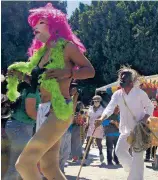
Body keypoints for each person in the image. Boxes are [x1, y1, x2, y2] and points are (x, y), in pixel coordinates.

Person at [6, 3, 95, 179]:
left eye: (40, 22)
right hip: (44, 110)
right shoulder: (41, 53)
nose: (35, 26)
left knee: (24, 164)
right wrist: (20, 76)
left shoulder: (66, 47)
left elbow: (90, 71)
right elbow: (38, 80)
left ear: (53, 24)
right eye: (34, 23)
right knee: (49, 167)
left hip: (59, 110)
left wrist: (70, 72)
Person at [96, 66, 154, 180]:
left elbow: (150, 107)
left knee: (137, 156)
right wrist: (102, 118)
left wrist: (144, 120)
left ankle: (134, 177)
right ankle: (133, 171)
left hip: (139, 129)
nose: (121, 79)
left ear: (131, 82)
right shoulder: (117, 94)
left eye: (124, 78)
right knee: (119, 151)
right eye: (121, 77)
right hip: (125, 129)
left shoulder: (140, 93)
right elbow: (110, 107)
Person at [4, 82, 40, 180]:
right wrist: (46, 120)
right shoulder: (32, 91)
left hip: (15, 125)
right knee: (16, 164)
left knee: (15, 164)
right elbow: (31, 112)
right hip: (21, 127)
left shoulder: (21, 87)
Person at [84, 95, 105, 166]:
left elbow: (103, 118)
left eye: (98, 101)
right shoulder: (90, 108)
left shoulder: (102, 109)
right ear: (93, 101)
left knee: (99, 143)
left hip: (98, 127)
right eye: (95, 101)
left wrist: (100, 119)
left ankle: (101, 153)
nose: (96, 102)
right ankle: (85, 159)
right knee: (88, 143)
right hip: (91, 127)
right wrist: (87, 122)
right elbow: (88, 116)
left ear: (100, 101)